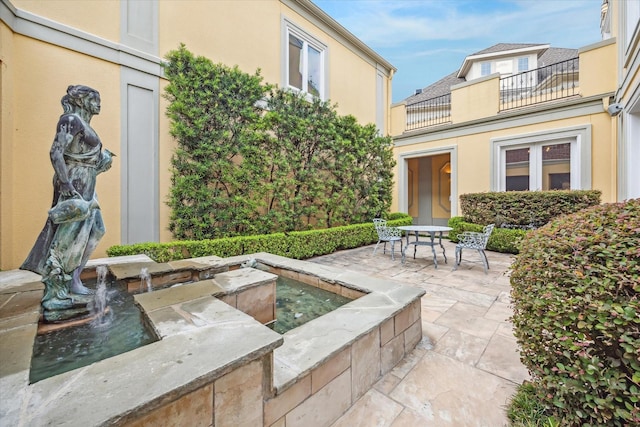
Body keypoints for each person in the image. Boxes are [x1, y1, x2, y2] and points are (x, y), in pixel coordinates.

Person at [21, 85, 114, 315]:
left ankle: (73, 280)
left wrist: (101, 161)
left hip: (87, 183)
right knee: (68, 237)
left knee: (96, 230)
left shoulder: (84, 124)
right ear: (81, 101)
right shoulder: (70, 119)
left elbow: (81, 155)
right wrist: (65, 183)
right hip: (75, 184)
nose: (99, 102)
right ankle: (55, 294)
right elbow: (56, 152)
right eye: (95, 98)